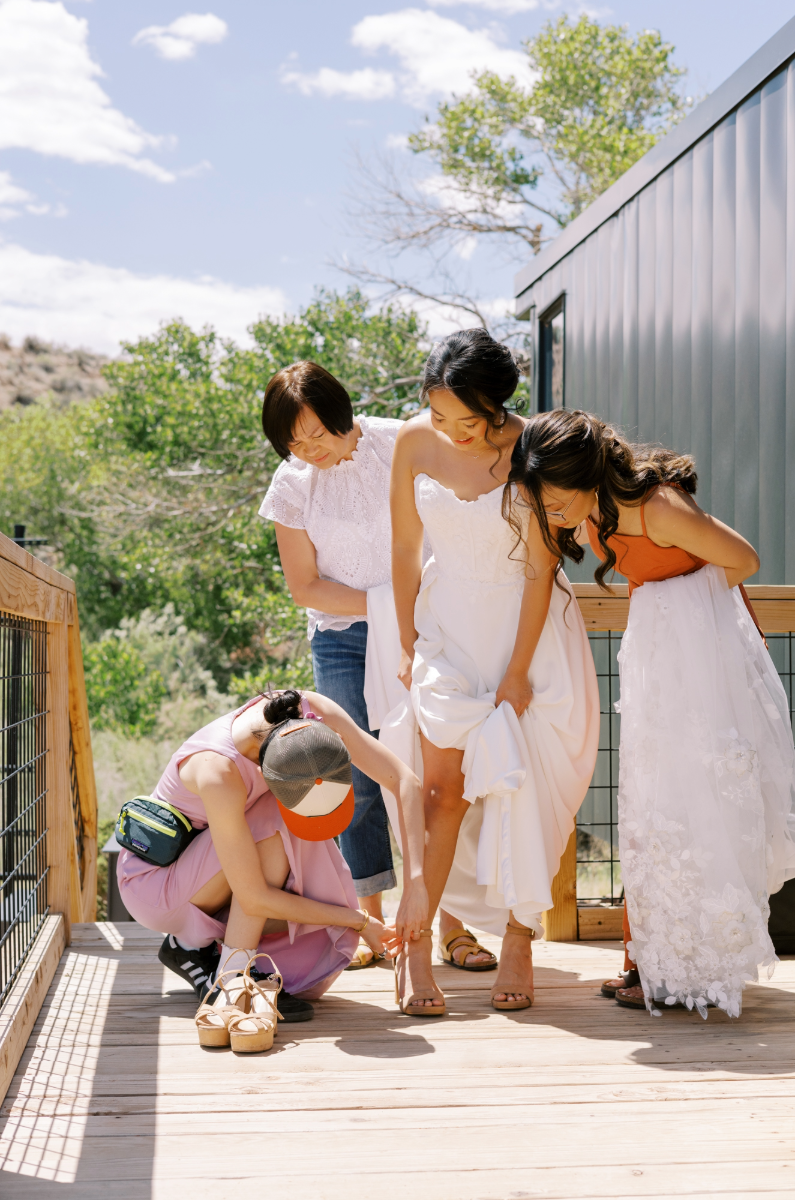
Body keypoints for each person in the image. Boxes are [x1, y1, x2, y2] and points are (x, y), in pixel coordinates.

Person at [507, 410, 795, 1018]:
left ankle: (695, 966)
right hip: (656, 659)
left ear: (589, 476)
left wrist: (678, 605)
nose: (554, 515)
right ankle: (651, 959)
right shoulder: (589, 513)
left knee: (696, 802)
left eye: (558, 501)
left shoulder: (659, 507)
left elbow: (743, 560)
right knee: (648, 806)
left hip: (699, 660)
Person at [379, 329, 600, 1017]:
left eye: (465, 421)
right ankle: (414, 950)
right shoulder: (414, 444)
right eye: (438, 415)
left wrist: (518, 671)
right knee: (442, 794)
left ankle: (518, 939)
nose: (449, 432)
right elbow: (405, 548)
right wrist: (410, 639)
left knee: (522, 789)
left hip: (523, 632)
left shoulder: (532, 445)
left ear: (496, 406)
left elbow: (541, 566)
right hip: (447, 632)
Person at [256, 361, 500, 975]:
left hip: (432, 626)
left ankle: (453, 922)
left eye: (316, 433)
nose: (306, 449)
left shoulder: (403, 440)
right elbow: (305, 586)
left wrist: (411, 613)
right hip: (343, 638)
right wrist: (386, 606)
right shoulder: (291, 485)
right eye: (293, 441)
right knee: (356, 778)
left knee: (437, 768)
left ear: (341, 412)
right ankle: (373, 922)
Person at [116, 688, 428, 1051]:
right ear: (268, 775)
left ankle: (195, 948)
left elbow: (404, 780)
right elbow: (255, 898)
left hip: (216, 872)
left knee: (307, 873)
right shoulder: (219, 771)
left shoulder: (311, 713)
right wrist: (356, 920)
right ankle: (231, 974)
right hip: (158, 889)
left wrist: (415, 882)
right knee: (273, 820)